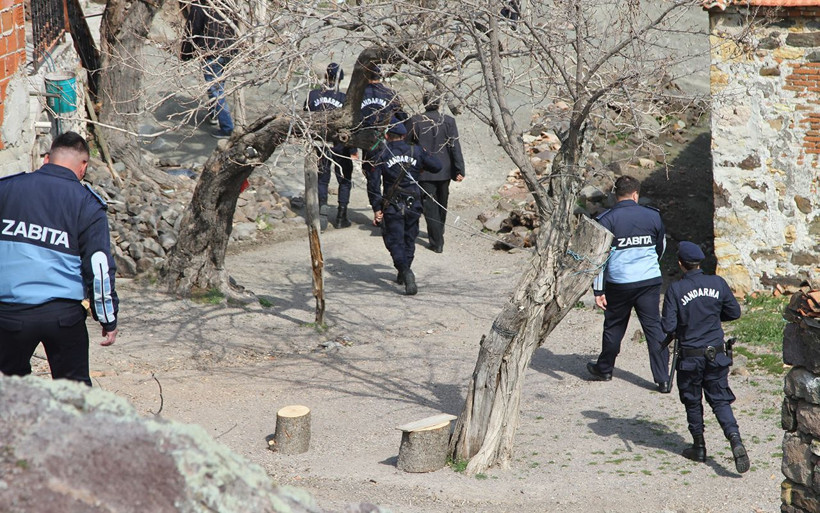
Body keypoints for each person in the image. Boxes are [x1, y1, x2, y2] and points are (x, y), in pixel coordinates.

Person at [0, 132, 119, 387]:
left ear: (46, 159)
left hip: (9, 314)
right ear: (83, 165)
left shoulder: (6, 189)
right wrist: (107, 317)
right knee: (74, 391)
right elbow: (98, 268)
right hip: (63, 316)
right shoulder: (87, 204)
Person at [661, 241, 748, 473]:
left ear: (681, 264)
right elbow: (734, 312)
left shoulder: (676, 290)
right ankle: (735, 439)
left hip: (690, 356)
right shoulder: (717, 283)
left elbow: (668, 326)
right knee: (720, 400)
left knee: (692, 400)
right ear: (700, 262)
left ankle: (699, 447)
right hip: (716, 355)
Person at [587, 175, 670, 392]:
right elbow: (660, 248)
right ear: (635, 195)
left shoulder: (605, 220)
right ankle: (663, 379)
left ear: (616, 196)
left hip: (619, 284)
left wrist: (598, 289)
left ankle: (604, 369)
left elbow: (598, 259)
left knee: (614, 327)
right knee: (653, 328)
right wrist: (649, 267)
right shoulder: (653, 216)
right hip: (649, 281)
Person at [368, 118, 441, 295]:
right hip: (413, 203)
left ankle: (405, 272)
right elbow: (437, 166)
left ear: (386, 135)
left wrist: (377, 207)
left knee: (394, 240)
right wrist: (421, 163)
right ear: (404, 135)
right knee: (409, 238)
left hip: (392, 204)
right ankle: (404, 271)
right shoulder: (416, 150)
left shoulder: (380, 154)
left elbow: (373, 184)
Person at [408, 92, 465, 253]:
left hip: (424, 170)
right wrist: (459, 169)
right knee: (442, 201)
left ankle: (437, 240)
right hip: (445, 170)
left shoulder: (415, 121)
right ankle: (439, 233)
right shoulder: (448, 121)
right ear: (439, 104)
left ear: (424, 103)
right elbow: (454, 146)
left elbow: (409, 144)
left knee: (430, 205)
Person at [304, 63, 357, 228]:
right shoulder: (344, 98)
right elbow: (350, 125)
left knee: (322, 179)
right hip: (340, 144)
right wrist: (353, 149)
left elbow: (305, 118)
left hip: (320, 143)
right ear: (340, 80)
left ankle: (322, 214)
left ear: (326, 76)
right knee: (345, 178)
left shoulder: (313, 95)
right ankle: (341, 216)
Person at [181, 0, 236, 139]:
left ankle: (227, 128)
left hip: (211, 51)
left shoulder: (201, 3)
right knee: (218, 85)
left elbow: (192, 29)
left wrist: (186, 53)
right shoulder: (228, 3)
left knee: (215, 90)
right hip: (229, 50)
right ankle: (214, 115)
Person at [360, 64, 406, 224]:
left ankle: (377, 210)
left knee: (373, 179)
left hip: (368, 144)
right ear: (381, 76)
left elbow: (352, 123)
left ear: (366, 76)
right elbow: (403, 117)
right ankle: (387, 212)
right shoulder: (389, 93)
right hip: (388, 143)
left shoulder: (359, 94)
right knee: (389, 178)